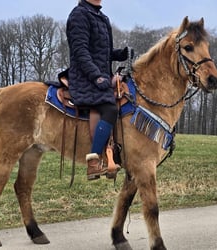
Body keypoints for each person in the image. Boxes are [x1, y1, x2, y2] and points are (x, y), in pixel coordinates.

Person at [66, 0, 130, 180]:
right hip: (84, 77)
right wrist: (96, 76)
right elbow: (80, 51)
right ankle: (93, 162)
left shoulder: (102, 17)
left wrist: (121, 54)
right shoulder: (79, 15)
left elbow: (104, 53)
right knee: (110, 108)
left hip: (99, 75)